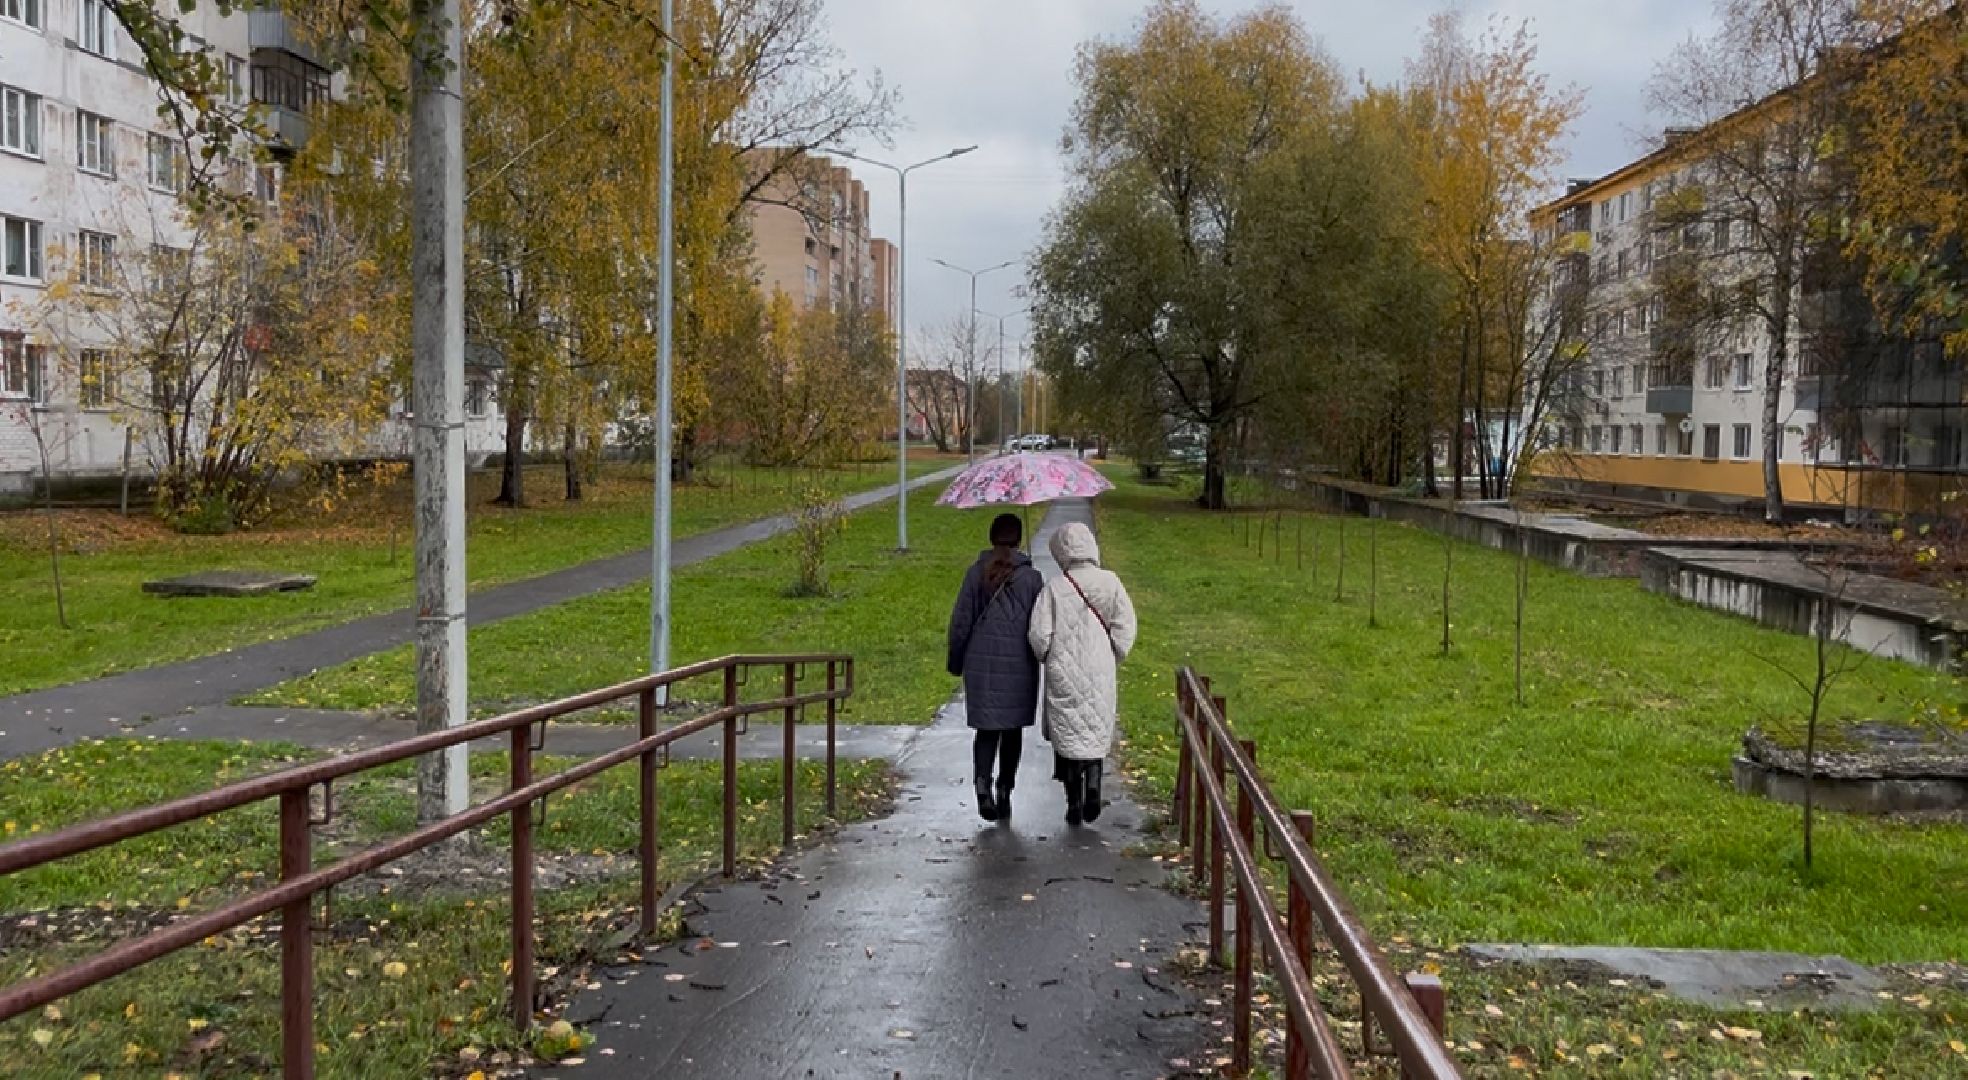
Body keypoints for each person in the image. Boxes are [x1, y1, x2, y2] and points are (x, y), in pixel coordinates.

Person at [1028, 521, 1137, 826]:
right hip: (1100, 664)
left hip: (1063, 666)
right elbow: (1125, 624)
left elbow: (1039, 634)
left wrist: (1046, 655)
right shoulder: (1111, 582)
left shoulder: (1055, 587)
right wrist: (1114, 652)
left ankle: (1073, 798)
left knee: (1068, 731)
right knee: (1094, 726)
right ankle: (1094, 783)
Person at [946, 512, 1044, 822]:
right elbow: (1039, 626)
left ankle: (981, 786)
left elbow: (961, 621)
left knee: (986, 731)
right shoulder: (1032, 578)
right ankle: (1004, 791)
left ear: (991, 537)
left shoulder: (976, 573)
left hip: (981, 662)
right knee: (1012, 731)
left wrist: (956, 660)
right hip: (1019, 664)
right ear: (1018, 539)